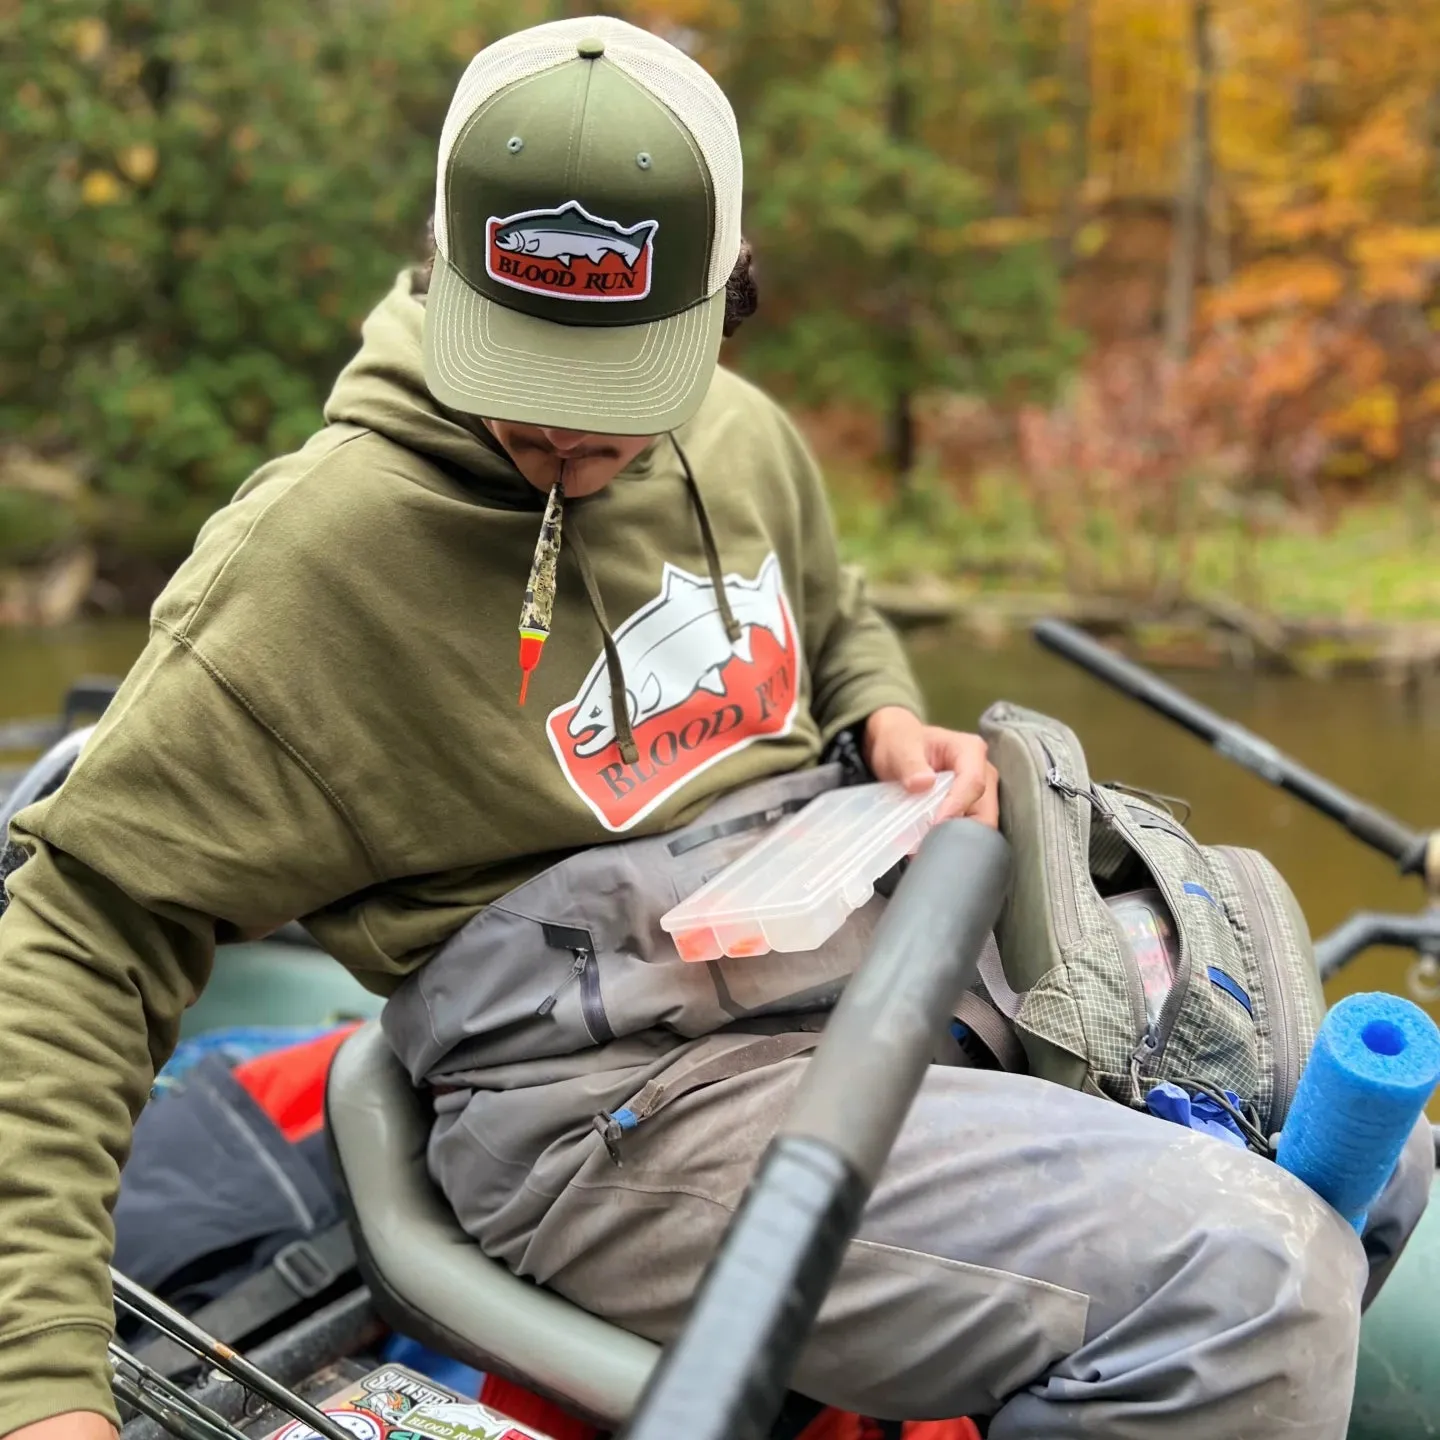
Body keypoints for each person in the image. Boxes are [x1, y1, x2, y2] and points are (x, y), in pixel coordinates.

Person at [0, 16, 1429, 1440]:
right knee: (1246, 1283)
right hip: (612, 1104)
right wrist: (39, 1385)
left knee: (1389, 1172)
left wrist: (880, 712)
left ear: (722, 301)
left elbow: (835, 608)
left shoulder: (740, 441)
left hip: (875, 970)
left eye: (610, 398)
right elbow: (76, 941)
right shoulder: (310, 571)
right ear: (448, 272)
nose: (562, 440)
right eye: (521, 382)